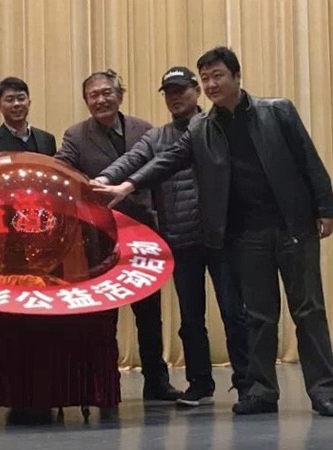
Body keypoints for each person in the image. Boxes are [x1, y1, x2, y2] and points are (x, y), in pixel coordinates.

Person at [92, 47, 333, 416]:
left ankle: (324, 390)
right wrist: (125, 186)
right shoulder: (202, 128)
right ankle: (262, 391)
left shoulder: (277, 111)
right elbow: (167, 160)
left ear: (236, 76)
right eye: (206, 78)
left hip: (293, 227)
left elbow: (308, 159)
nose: (211, 84)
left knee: (308, 311)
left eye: (217, 76)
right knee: (259, 316)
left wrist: (326, 208)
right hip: (246, 234)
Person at [95, 66, 249, 407]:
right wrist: (103, 180)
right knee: (191, 319)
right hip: (179, 238)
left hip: (222, 236)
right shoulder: (156, 137)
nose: (175, 97)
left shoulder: (216, 126)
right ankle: (199, 383)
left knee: (233, 312)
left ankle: (247, 383)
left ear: (197, 90)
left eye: (181, 90)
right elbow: (131, 160)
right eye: (169, 92)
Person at [55, 69, 181, 402]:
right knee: (103, 314)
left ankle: (157, 381)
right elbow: (63, 172)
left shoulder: (145, 130)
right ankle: (104, 383)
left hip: (143, 233)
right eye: (93, 95)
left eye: (106, 93)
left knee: (149, 313)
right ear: (86, 101)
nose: (101, 100)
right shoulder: (75, 135)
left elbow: (161, 177)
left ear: (119, 95)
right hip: (98, 237)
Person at [0, 77, 56, 156]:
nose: (16, 104)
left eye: (21, 99)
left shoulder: (47, 139)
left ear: (29, 103)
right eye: (10, 100)